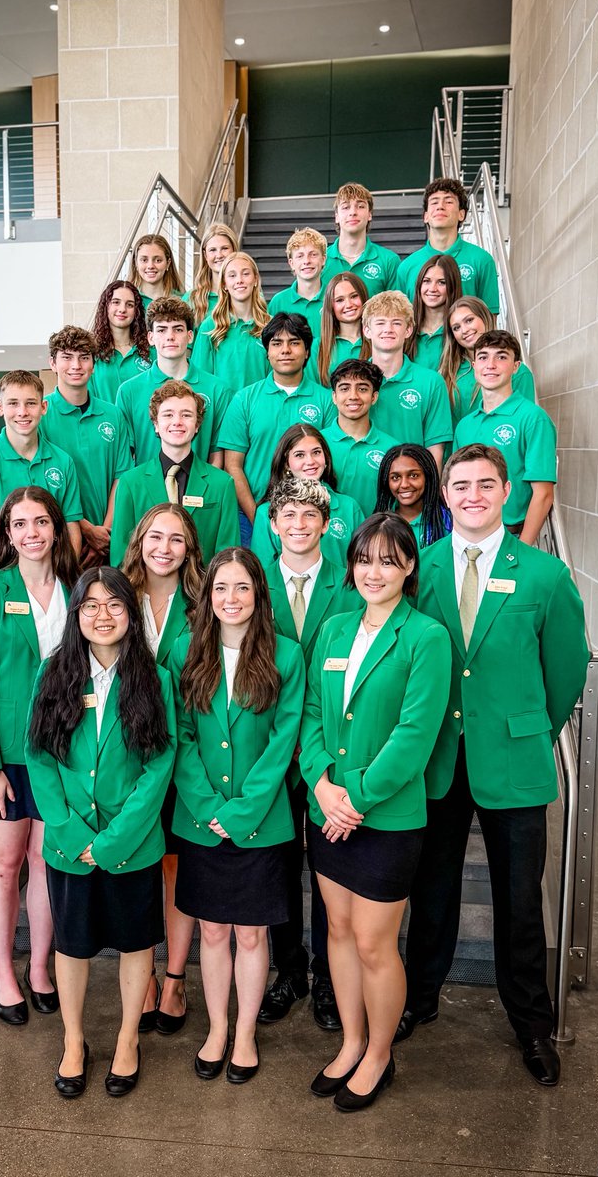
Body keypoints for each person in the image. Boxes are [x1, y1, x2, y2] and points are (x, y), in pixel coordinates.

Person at [398, 444, 589, 1089]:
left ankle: (532, 1023)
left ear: (507, 491)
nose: (472, 494)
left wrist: (524, 723)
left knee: (518, 902)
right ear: (444, 496)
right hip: (439, 760)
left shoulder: (543, 575)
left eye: (485, 483)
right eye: (460, 484)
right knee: (432, 893)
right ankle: (419, 998)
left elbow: (563, 674)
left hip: (513, 759)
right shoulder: (417, 569)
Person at [299, 513, 451, 1111]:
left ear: (410, 566)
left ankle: (381, 1055)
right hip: (328, 809)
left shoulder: (426, 638)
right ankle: (351, 1041)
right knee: (336, 931)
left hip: (385, 818)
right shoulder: (334, 631)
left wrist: (353, 797)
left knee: (372, 943)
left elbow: (414, 738)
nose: (373, 571)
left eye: (389, 560)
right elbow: (310, 714)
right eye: (365, 559)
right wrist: (320, 784)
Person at [26, 567, 176, 1099]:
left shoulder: (154, 678)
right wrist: (68, 830)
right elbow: (38, 759)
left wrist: (113, 839)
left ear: (131, 616)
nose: (103, 615)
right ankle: (73, 1041)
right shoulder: (53, 673)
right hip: (69, 845)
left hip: (130, 846)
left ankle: (128, 1039)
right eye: (90, 605)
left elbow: (160, 765)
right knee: (72, 946)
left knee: (137, 944)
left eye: (114, 605)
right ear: (76, 615)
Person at [169, 548, 305, 1083]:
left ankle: (245, 1032)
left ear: (259, 594)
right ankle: (217, 1029)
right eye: (221, 588)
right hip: (200, 820)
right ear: (207, 596)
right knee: (212, 932)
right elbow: (178, 738)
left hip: (263, 822)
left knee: (251, 935)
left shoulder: (287, 656)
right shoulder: (184, 652)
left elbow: (284, 740)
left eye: (242, 588)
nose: (231, 598)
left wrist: (244, 809)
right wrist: (207, 806)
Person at [0, 488, 79, 1024]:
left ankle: (39, 967)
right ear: (7, 534)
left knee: (46, 862)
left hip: (62, 754)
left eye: (41, 522)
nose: (31, 532)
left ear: (56, 528)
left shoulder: (79, 590)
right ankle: (5, 974)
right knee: (7, 864)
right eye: (20, 524)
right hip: (6, 756)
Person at [260, 476, 363, 1033]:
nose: (299, 525)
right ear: (273, 526)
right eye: (288, 517)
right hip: (270, 749)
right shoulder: (252, 584)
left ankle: (328, 973)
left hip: (329, 751)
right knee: (277, 865)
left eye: (309, 516)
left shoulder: (351, 586)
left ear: (326, 525)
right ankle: (289, 970)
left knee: (329, 867)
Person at [121, 503, 205, 1035]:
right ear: (140, 540)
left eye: (176, 539)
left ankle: (174, 979)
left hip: (184, 758)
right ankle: (143, 973)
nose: (165, 547)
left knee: (176, 871)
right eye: (156, 536)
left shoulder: (204, 604)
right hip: (126, 761)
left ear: (189, 548)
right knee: (138, 871)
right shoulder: (114, 596)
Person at [218, 313, 337, 542]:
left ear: (307, 352)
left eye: (294, 343)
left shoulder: (326, 401)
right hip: (251, 514)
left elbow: (328, 462)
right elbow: (233, 466)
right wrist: (258, 517)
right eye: (277, 343)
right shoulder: (244, 399)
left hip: (310, 518)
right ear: (267, 352)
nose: (285, 350)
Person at [109, 379, 240, 565]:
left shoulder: (222, 484)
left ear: (197, 425)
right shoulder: (130, 483)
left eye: (186, 415)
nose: (177, 422)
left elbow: (228, 557)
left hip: (201, 591)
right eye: (168, 415)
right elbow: (120, 557)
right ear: (155, 423)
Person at [0, 370, 83, 560]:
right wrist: (28, 583)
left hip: (57, 572)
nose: (22, 412)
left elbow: (71, 529)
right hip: (9, 574)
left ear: (44, 407)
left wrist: (61, 577)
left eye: (31, 403)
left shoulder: (63, 461)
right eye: (13, 403)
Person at [452, 331, 556, 545]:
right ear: (473, 366)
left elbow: (543, 494)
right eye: (483, 357)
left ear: (516, 366)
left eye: (501, 357)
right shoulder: (465, 425)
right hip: (470, 538)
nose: (490, 364)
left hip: (515, 536)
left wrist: (521, 548)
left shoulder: (533, 418)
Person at [43, 326, 132, 565]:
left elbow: (121, 478)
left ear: (93, 364)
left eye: (84, 357)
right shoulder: (40, 415)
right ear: (53, 363)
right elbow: (39, 483)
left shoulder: (113, 415)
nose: (76, 365)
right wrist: (84, 529)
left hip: (107, 543)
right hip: (59, 541)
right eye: (67, 357)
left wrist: (104, 531)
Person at [116, 296, 229, 466]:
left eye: (177, 329)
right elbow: (125, 455)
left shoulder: (217, 389)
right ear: (151, 338)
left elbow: (217, 454)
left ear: (190, 336)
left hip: (199, 489)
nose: (170, 336)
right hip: (146, 489)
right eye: (162, 330)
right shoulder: (129, 391)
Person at [250, 423, 364, 568]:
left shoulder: (349, 507)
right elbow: (262, 574)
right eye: (299, 455)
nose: (310, 461)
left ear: (326, 458)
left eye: (316, 452)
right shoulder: (265, 512)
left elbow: (361, 565)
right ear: (286, 464)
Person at [361, 292, 452, 472]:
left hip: (411, 486)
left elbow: (435, 450)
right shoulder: (354, 382)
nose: (388, 329)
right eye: (380, 323)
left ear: (408, 330)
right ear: (367, 330)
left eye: (396, 323)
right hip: (365, 480)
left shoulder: (431, 382)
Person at [396, 178, 500, 314]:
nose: (440, 206)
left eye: (449, 201)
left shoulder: (481, 260)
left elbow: (490, 318)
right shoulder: (407, 267)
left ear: (462, 214)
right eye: (434, 202)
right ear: (425, 216)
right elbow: (401, 319)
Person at [441, 297, 536, 429]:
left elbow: (526, 423)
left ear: (484, 317)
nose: (464, 330)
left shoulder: (517, 371)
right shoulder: (448, 372)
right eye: (456, 328)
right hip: (459, 447)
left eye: (469, 320)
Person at [323, 358, 400, 517]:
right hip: (326, 539)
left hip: (376, 537)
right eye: (344, 388)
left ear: (374, 397)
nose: (353, 396)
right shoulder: (316, 444)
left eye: (362, 389)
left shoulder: (392, 449)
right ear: (334, 397)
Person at [189, 251, 270, 391]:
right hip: (223, 411)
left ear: (256, 279)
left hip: (261, 409)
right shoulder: (210, 327)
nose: (239, 280)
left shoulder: (271, 326)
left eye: (246, 274)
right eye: (232, 275)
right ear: (224, 284)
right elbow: (199, 381)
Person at [321, 182, 400, 293]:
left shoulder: (389, 261)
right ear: (336, 217)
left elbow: (397, 308)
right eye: (346, 207)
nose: (353, 212)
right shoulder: (320, 261)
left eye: (360, 206)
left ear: (369, 214)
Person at [374, 444, 452, 549]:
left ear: (427, 476)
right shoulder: (379, 524)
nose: (404, 484)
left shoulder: (447, 522)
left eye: (413, 475)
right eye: (395, 477)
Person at [90, 281, 153, 404]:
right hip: (106, 422)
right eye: (116, 302)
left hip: (143, 422)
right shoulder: (92, 352)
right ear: (106, 306)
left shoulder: (150, 350)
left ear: (136, 311)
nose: (122, 309)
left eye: (129, 305)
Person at [309, 272, 370, 386]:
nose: (349, 304)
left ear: (364, 297)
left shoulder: (379, 341)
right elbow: (314, 392)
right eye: (339, 300)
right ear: (331, 306)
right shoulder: (317, 347)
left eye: (354, 296)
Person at [267, 227, 328, 338]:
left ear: (323, 259)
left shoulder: (335, 298)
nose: (307, 261)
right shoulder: (278, 302)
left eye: (313, 254)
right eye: (300, 256)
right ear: (291, 263)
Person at [405, 255, 462, 372]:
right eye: (426, 281)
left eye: (441, 282)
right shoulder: (405, 327)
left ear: (452, 286)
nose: (432, 288)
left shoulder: (461, 331)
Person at [183, 222, 239, 326]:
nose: (219, 255)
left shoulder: (248, 294)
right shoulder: (191, 299)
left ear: (234, 250)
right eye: (212, 250)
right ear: (205, 255)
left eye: (225, 248)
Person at [127, 232, 184, 311]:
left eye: (158, 260)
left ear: (168, 263)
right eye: (144, 260)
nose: (150, 266)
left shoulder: (182, 300)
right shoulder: (127, 299)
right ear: (136, 263)